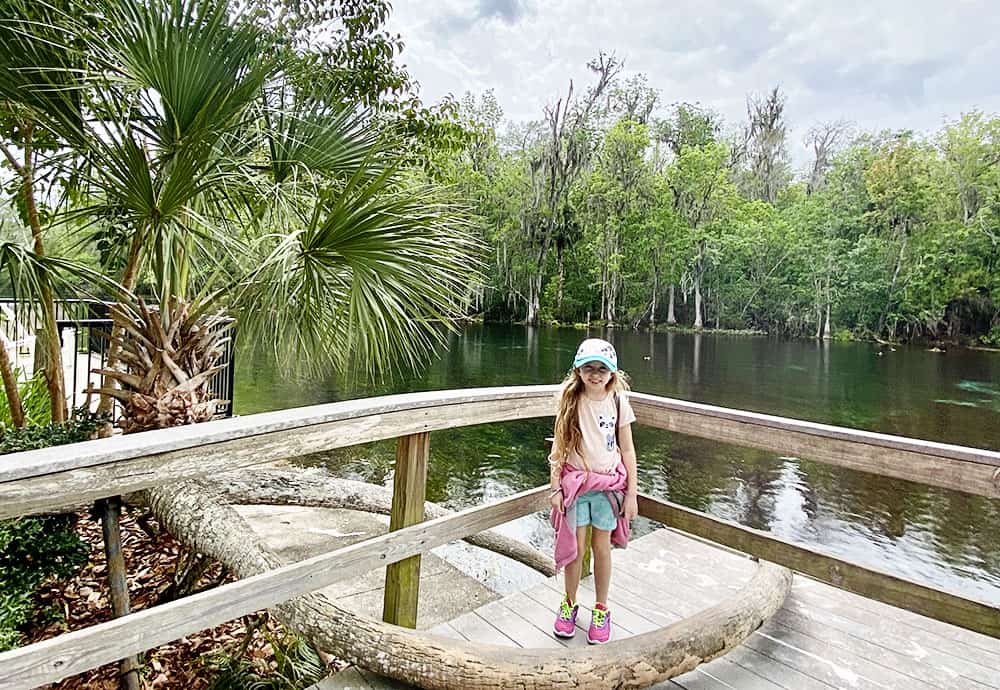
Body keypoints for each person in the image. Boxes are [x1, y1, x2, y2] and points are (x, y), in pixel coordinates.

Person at [548, 337, 638, 644]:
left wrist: (632, 494)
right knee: (575, 549)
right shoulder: (570, 399)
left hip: (608, 487)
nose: (595, 374)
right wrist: (555, 487)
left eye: (602, 368)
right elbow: (559, 446)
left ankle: (601, 608)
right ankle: (569, 603)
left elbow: (628, 449)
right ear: (578, 370)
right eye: (589, 367)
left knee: (602, 549)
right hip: (576, 485)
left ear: (612, 373)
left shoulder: (617, 401)